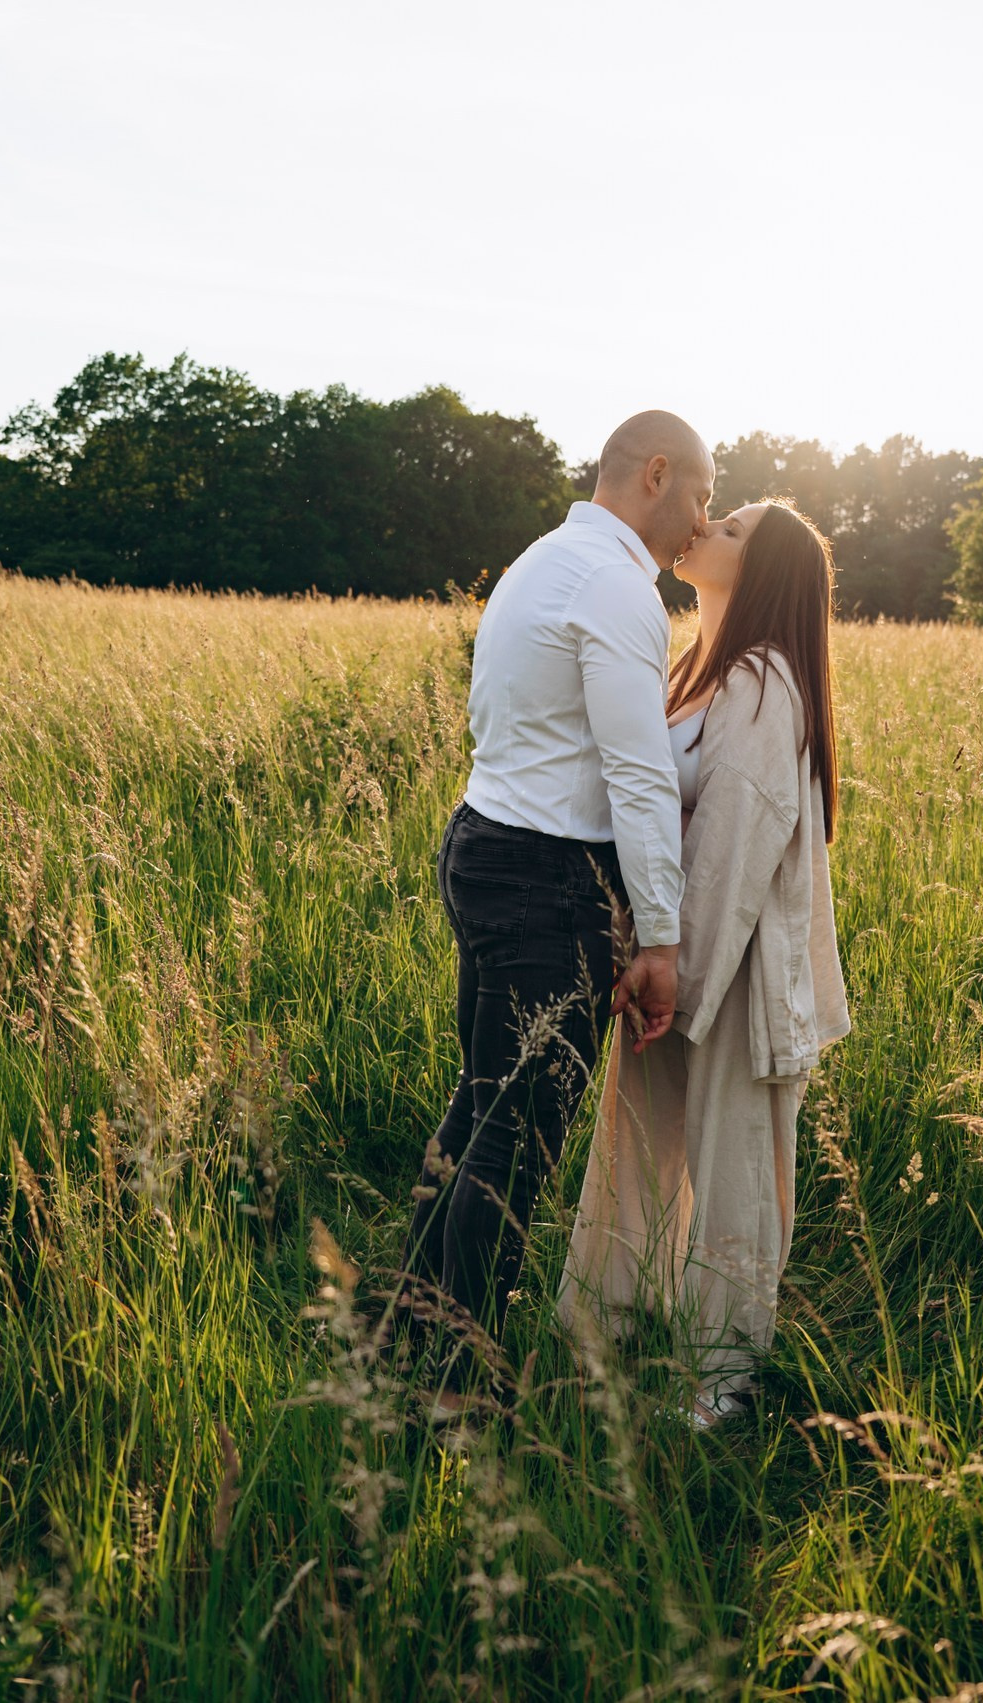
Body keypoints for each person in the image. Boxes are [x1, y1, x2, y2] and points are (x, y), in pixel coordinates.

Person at [399, 410, 713, 1404]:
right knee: (516, 1135)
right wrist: (657, 936)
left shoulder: (548, 557)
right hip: (540, 876)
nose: (701, 521)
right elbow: (635, 770)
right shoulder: (616, 587)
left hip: (485, 842)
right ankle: (462, 1388)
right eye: (700, 495)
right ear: (655, 474)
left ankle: (405, 1334)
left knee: (480, 1102)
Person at [556, 500, 850, 1430]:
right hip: (669, 953)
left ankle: (723, 1380)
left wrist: (682, 970)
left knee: (732, 1168)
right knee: (634, 1147)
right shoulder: (700, 669)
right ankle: (609, 1322)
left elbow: (735, 846)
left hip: (731, 964)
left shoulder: (764, 680)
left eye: (728, 528)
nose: (703, 527)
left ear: (758, 570)